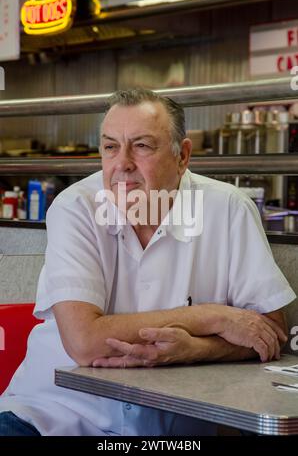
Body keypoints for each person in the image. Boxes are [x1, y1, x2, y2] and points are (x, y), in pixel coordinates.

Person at [0, 89, 295, 436]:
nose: (122, 164)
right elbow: (84, 342)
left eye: (141, 146)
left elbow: (271, 331)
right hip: (53, 416)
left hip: (170, 431)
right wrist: (211, 316)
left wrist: (196, 349)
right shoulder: (75, 208)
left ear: (182, 155)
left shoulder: (228, 210)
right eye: (110, 147)